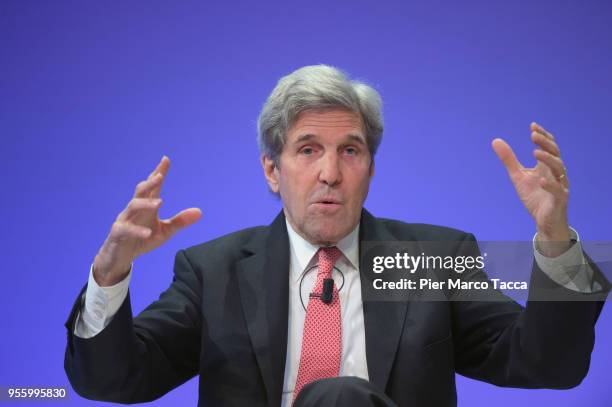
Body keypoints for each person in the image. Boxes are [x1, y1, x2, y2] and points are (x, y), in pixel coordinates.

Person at [64, 65, 609, 407]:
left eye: (350, 151)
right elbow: (115, 381)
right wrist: (109, 274)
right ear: (272, 172)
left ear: (370, 168)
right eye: (307, 150)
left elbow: (547, 366)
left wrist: (555, 238)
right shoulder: (213, 271)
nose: (330, 172)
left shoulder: (432, 259)